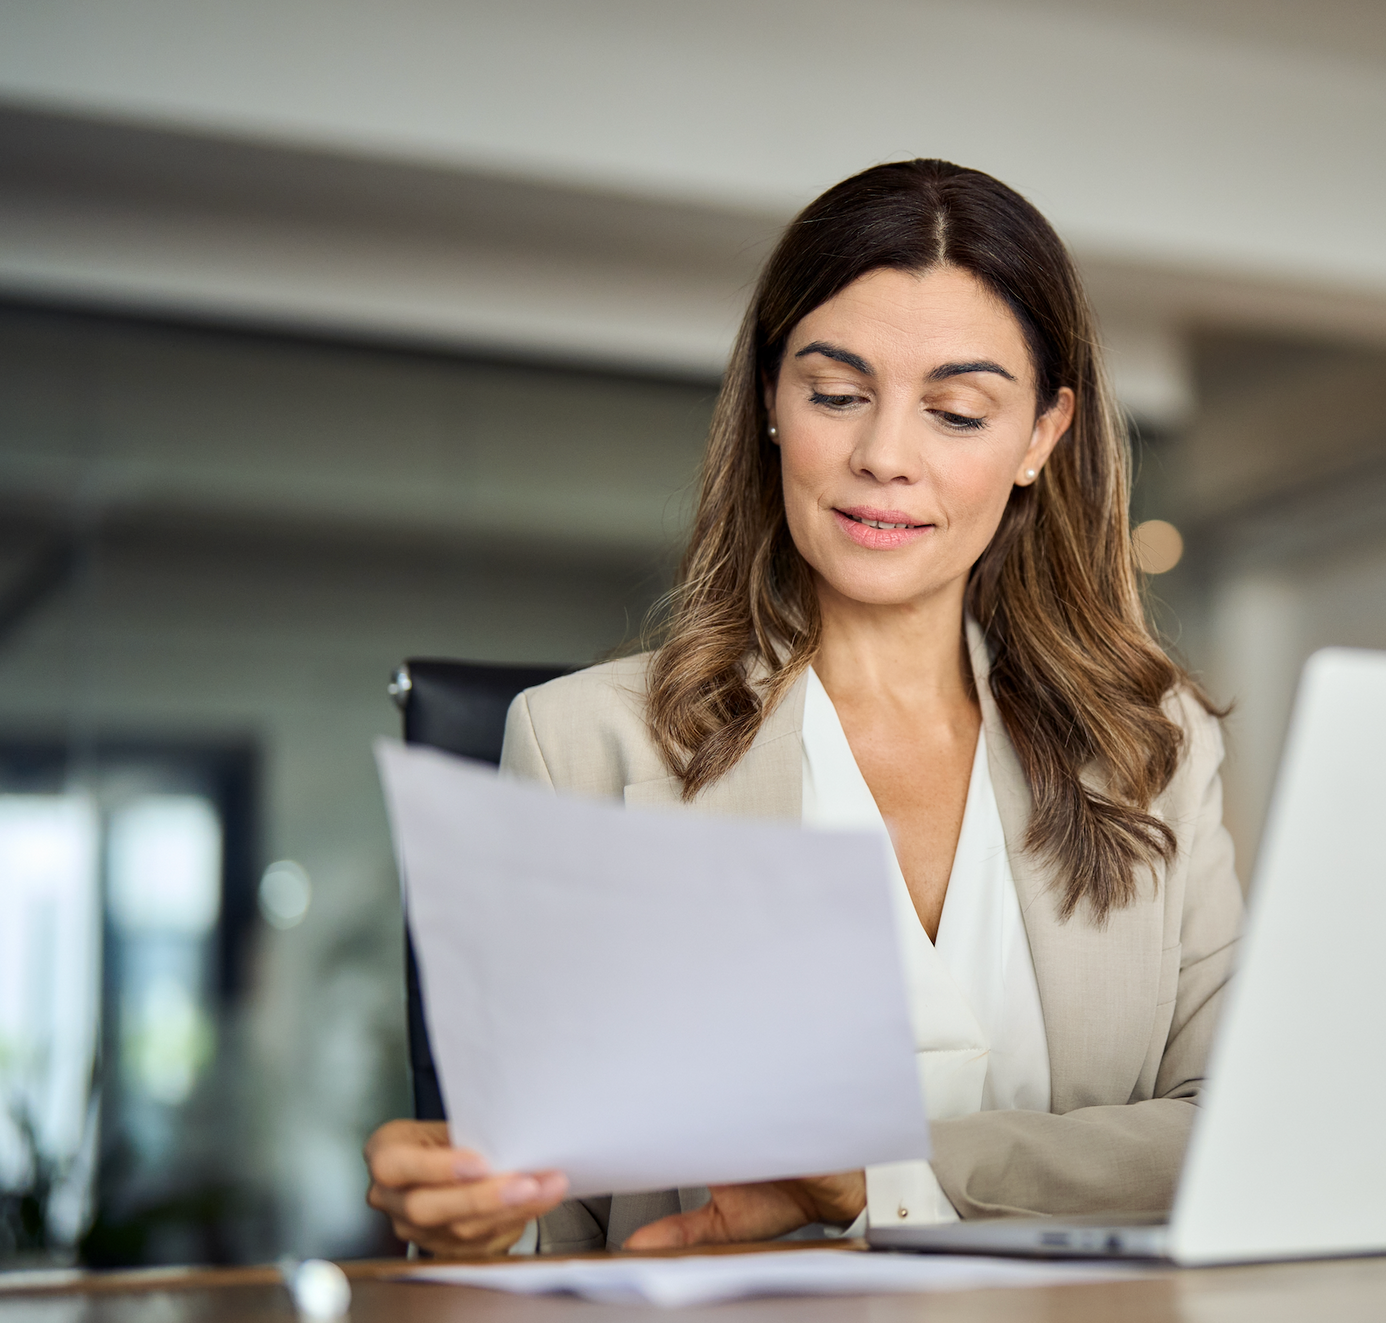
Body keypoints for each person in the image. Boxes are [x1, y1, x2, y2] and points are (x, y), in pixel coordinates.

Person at [364, 159, 1242, 1257]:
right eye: (836, 395)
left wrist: (882, 1176)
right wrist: (465, 1230)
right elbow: (552, 1227)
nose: (884, 457)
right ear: (773, 404)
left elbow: (1227, 1142)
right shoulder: (584, 741)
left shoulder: (1154, 748)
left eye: (957, 412)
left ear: (1041, 439)